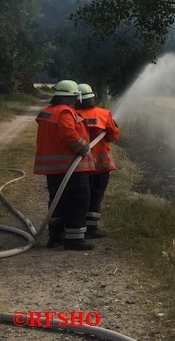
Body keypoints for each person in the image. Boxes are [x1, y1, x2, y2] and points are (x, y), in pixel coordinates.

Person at [34, 80, 95, 250]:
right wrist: (83, 148)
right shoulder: (65, 112)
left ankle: (55, 237)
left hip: (54, 168)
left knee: (57, 201)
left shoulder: (48, 111)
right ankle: (74, 239)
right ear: (75, 96)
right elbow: (68, 133)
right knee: (78, 199)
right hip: (71, 167)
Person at [75, 83, 120, 239]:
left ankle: (76, 224)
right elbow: (113, 136)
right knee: (96, 195)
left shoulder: (71, 114)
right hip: (101, 164)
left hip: (79, 165)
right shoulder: (103, 113)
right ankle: (92, 228)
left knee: (80, 195)